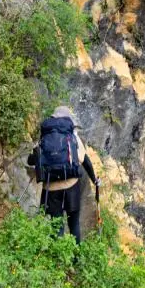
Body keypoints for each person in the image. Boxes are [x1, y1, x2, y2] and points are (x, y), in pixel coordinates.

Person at [27, 105, 99, 244]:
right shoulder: (72, 136)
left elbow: (31, 160)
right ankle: (76, 259)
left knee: (57, 226)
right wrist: (94, 179)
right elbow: (85, 161)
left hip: (51, 188)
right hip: (71, 186)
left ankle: (59, 260)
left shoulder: (44, 137)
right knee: (74, 225)